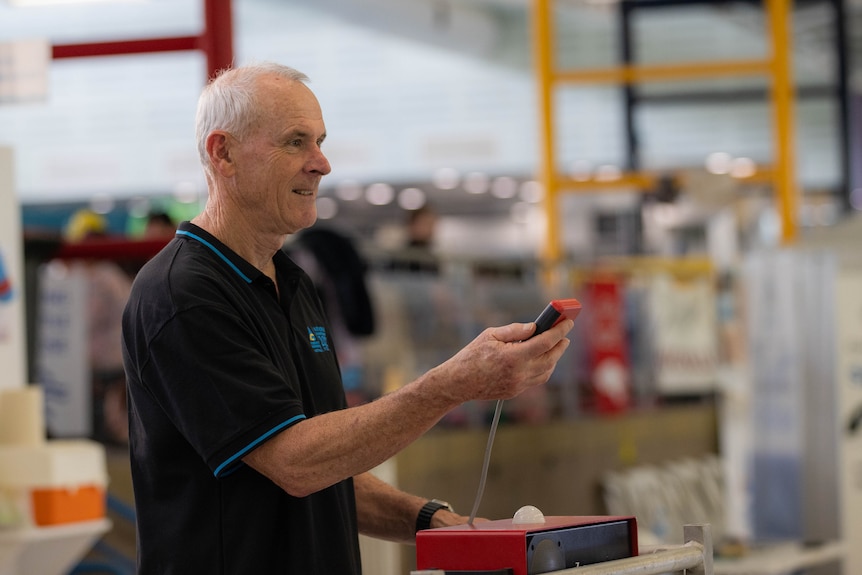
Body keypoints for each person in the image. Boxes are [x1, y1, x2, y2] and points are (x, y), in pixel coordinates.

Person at [121, 62, 574, 574]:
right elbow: (294, 462)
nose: (322, 163)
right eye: (295, 142)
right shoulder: (183, 295)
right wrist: (454, 383)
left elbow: (326, 469)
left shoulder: (293, 285)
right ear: (222, 153)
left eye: (320, 141)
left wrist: (437, 524)